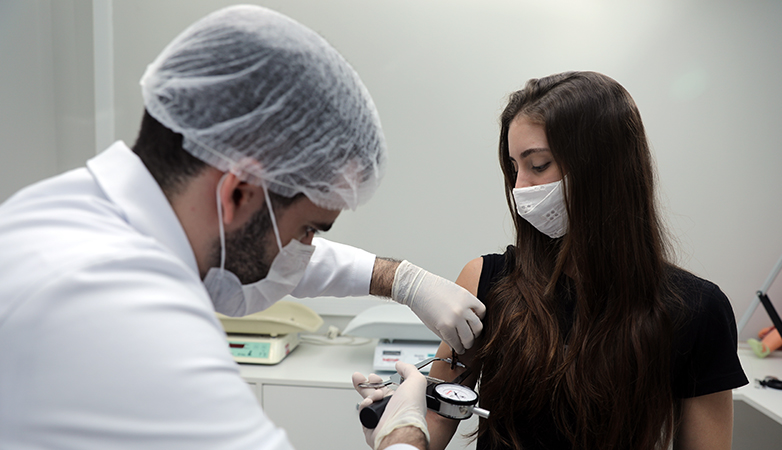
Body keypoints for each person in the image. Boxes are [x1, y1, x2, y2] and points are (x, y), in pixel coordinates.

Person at [0, 5, 483, 450]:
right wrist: (402, 437)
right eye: (308, 232)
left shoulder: (64, 213)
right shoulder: (124, 314)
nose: (304, 252)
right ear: (237, 192)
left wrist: (398, 279)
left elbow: (253, 246)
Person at [419, 71, 748, 450]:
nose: (519, 187)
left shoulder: (697, 311)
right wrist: (398, 428)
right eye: (513, 168)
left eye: (537, 164)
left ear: (603, 168)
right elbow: (434, 421)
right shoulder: (485, 282)